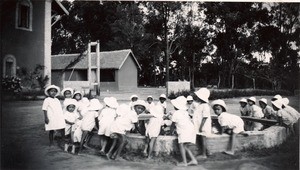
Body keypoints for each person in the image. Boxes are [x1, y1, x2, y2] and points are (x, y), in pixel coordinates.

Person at [170, 96, 198, 166]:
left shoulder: (176, 113)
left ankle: (184, 162)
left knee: (181, 145)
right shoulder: (185, 112)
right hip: (191, 129)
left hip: (184, 130)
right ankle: (193, 160)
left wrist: (171, 132)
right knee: (186, 146)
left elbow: (172, 125)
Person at [193, 88, 211, 159]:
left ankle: (204, 154)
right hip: (199, 125)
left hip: (203, 125)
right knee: (200, 139)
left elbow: (205, 117)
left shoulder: (205, 106)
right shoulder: (200, 105)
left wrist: (201, 127)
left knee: (203, 139)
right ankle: (204, 151)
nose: (197, 97)